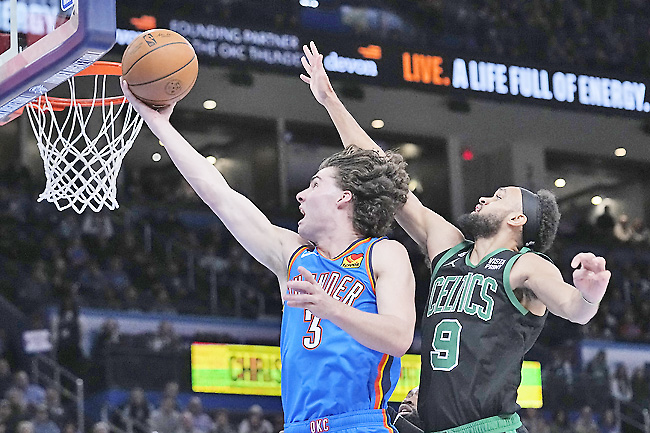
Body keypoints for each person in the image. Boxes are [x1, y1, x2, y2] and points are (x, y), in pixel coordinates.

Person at [300, 41, 611, 433]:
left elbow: (573, 308)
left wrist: (589, 292)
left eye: (497, 197)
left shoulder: (524, 266)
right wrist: (330, 101)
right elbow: (383, 174)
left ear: (517, 219)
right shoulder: (448, 246)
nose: (484, 197)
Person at [121, 79, 416, 433]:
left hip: (359, 423)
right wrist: (159, 125)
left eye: (316, 184)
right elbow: (219, 195)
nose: (301, 196)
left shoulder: (383, 253)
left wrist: (330, 307)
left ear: (344, 198)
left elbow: (399, 338)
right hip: (296, 426)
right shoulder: (292, 255)